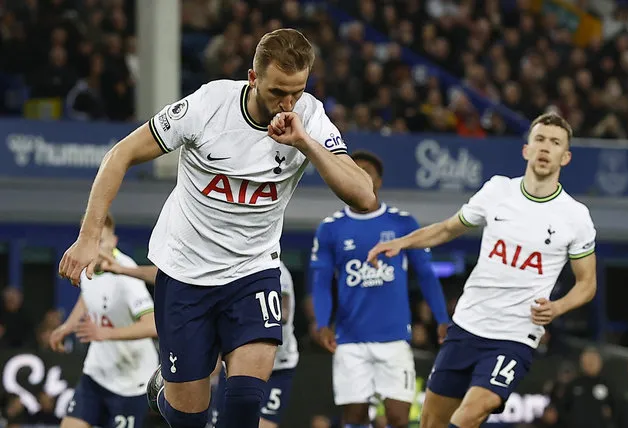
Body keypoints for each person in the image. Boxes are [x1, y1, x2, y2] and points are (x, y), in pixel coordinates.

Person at [57, 27, 375, 428]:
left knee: (243, 406)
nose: (287, 103)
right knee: (190, 420)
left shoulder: (309, 117)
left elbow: (364, 196)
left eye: (297, 90)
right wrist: (88, 238)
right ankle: (163, 394)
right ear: (253, 78)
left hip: (252, 272)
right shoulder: (207, 106)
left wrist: (305, 142)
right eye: (278, 91)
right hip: (185, 274)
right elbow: (119, 156)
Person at [367, 113, 597, 428]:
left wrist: (557, 307)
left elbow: (587, 284)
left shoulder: (575, 216)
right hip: (467, 325)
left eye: (555, 142)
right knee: (431, 421)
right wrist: (402, 243)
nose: (546, 147)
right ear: (526, 149)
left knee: (469, 414)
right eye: (540, 139)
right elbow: (448, 229)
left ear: (565, 156)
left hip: (515, 336)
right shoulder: (498, 191)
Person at [310, 150, 450, 428]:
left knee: (399, 418)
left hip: (394, 338)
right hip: (350, 340)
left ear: (379, 181)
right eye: (355, 171)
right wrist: (323, 322)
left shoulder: (402, 223)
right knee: (354, 417)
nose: (361, 177)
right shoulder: (330, 228)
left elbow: (425, 275)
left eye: (368, 172)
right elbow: (321, 281)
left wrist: (442, 318)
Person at [99, 253, 299, 428]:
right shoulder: (211, 260)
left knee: (253, 417)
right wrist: (124, 270)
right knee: (200, 418)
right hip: (237, 361)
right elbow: (172, 275)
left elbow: (282, 314)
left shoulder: (269, 270)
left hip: (279, 364)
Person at [49, 213, 158, 428]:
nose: (95, 248)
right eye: (90, 239)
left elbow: (153, 325)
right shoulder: (84, 264)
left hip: (130, 381)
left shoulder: (126, 277)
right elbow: (88, 295)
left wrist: (104, 333)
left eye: (101, 241)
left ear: (113, 242)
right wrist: (68, 326)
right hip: (97, 373)